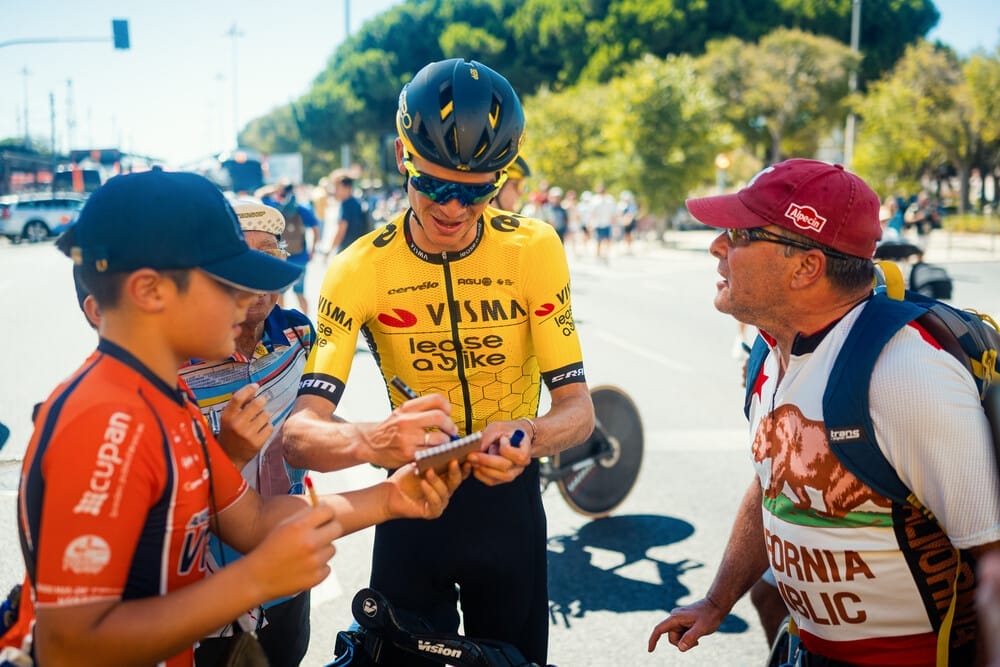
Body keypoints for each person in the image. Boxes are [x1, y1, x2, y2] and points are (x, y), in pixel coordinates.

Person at [5, 170, 462, 667]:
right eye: (229, 283)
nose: (249, 301)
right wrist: (255, 580)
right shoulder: (104, 422)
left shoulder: (170, 402)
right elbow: (70, 643)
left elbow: (256, 520)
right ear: (149, 291)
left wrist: (394, 497)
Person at [283, 58, 595, 666]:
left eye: (476, 190)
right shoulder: (359, 268)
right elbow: (298, 434)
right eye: (435, 186)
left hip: (509, 505)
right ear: (402, 157)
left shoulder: (534, 250)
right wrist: (377, 439)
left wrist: (531, 435)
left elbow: (578, 410)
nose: (453, 209)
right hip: (408, 498)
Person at [647, 159, 1000, 665]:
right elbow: (773, 479)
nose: (716, 245)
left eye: (740, 234)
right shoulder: (771, 352)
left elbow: (993, 565)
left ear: (806, 267)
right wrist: (716, 601)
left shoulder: (904, 373)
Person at [177, 201, 315, 667]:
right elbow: (164, 499)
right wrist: (228, 456)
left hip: (286, 577)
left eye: (269, 253)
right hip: (206, 593)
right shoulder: (172, 363)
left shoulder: (298, 335)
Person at [260, 181, 321, 315]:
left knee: (280, 293)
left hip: (282, 258)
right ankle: (307, 320)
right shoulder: (302, 209)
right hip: (301, 257)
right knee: (300, 292)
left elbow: (260, 195)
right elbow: (316, 229)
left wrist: (275, 189)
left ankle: (283, 323)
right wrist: (313, 249)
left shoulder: (275, 208)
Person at [324, 169, 369, 256]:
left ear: (346, 188)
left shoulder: (346, 204)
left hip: (347, 251)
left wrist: (329, 250)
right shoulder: (357, 203)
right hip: (357, 250)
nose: (334, 191)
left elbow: (341, 230)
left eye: (336, 187)